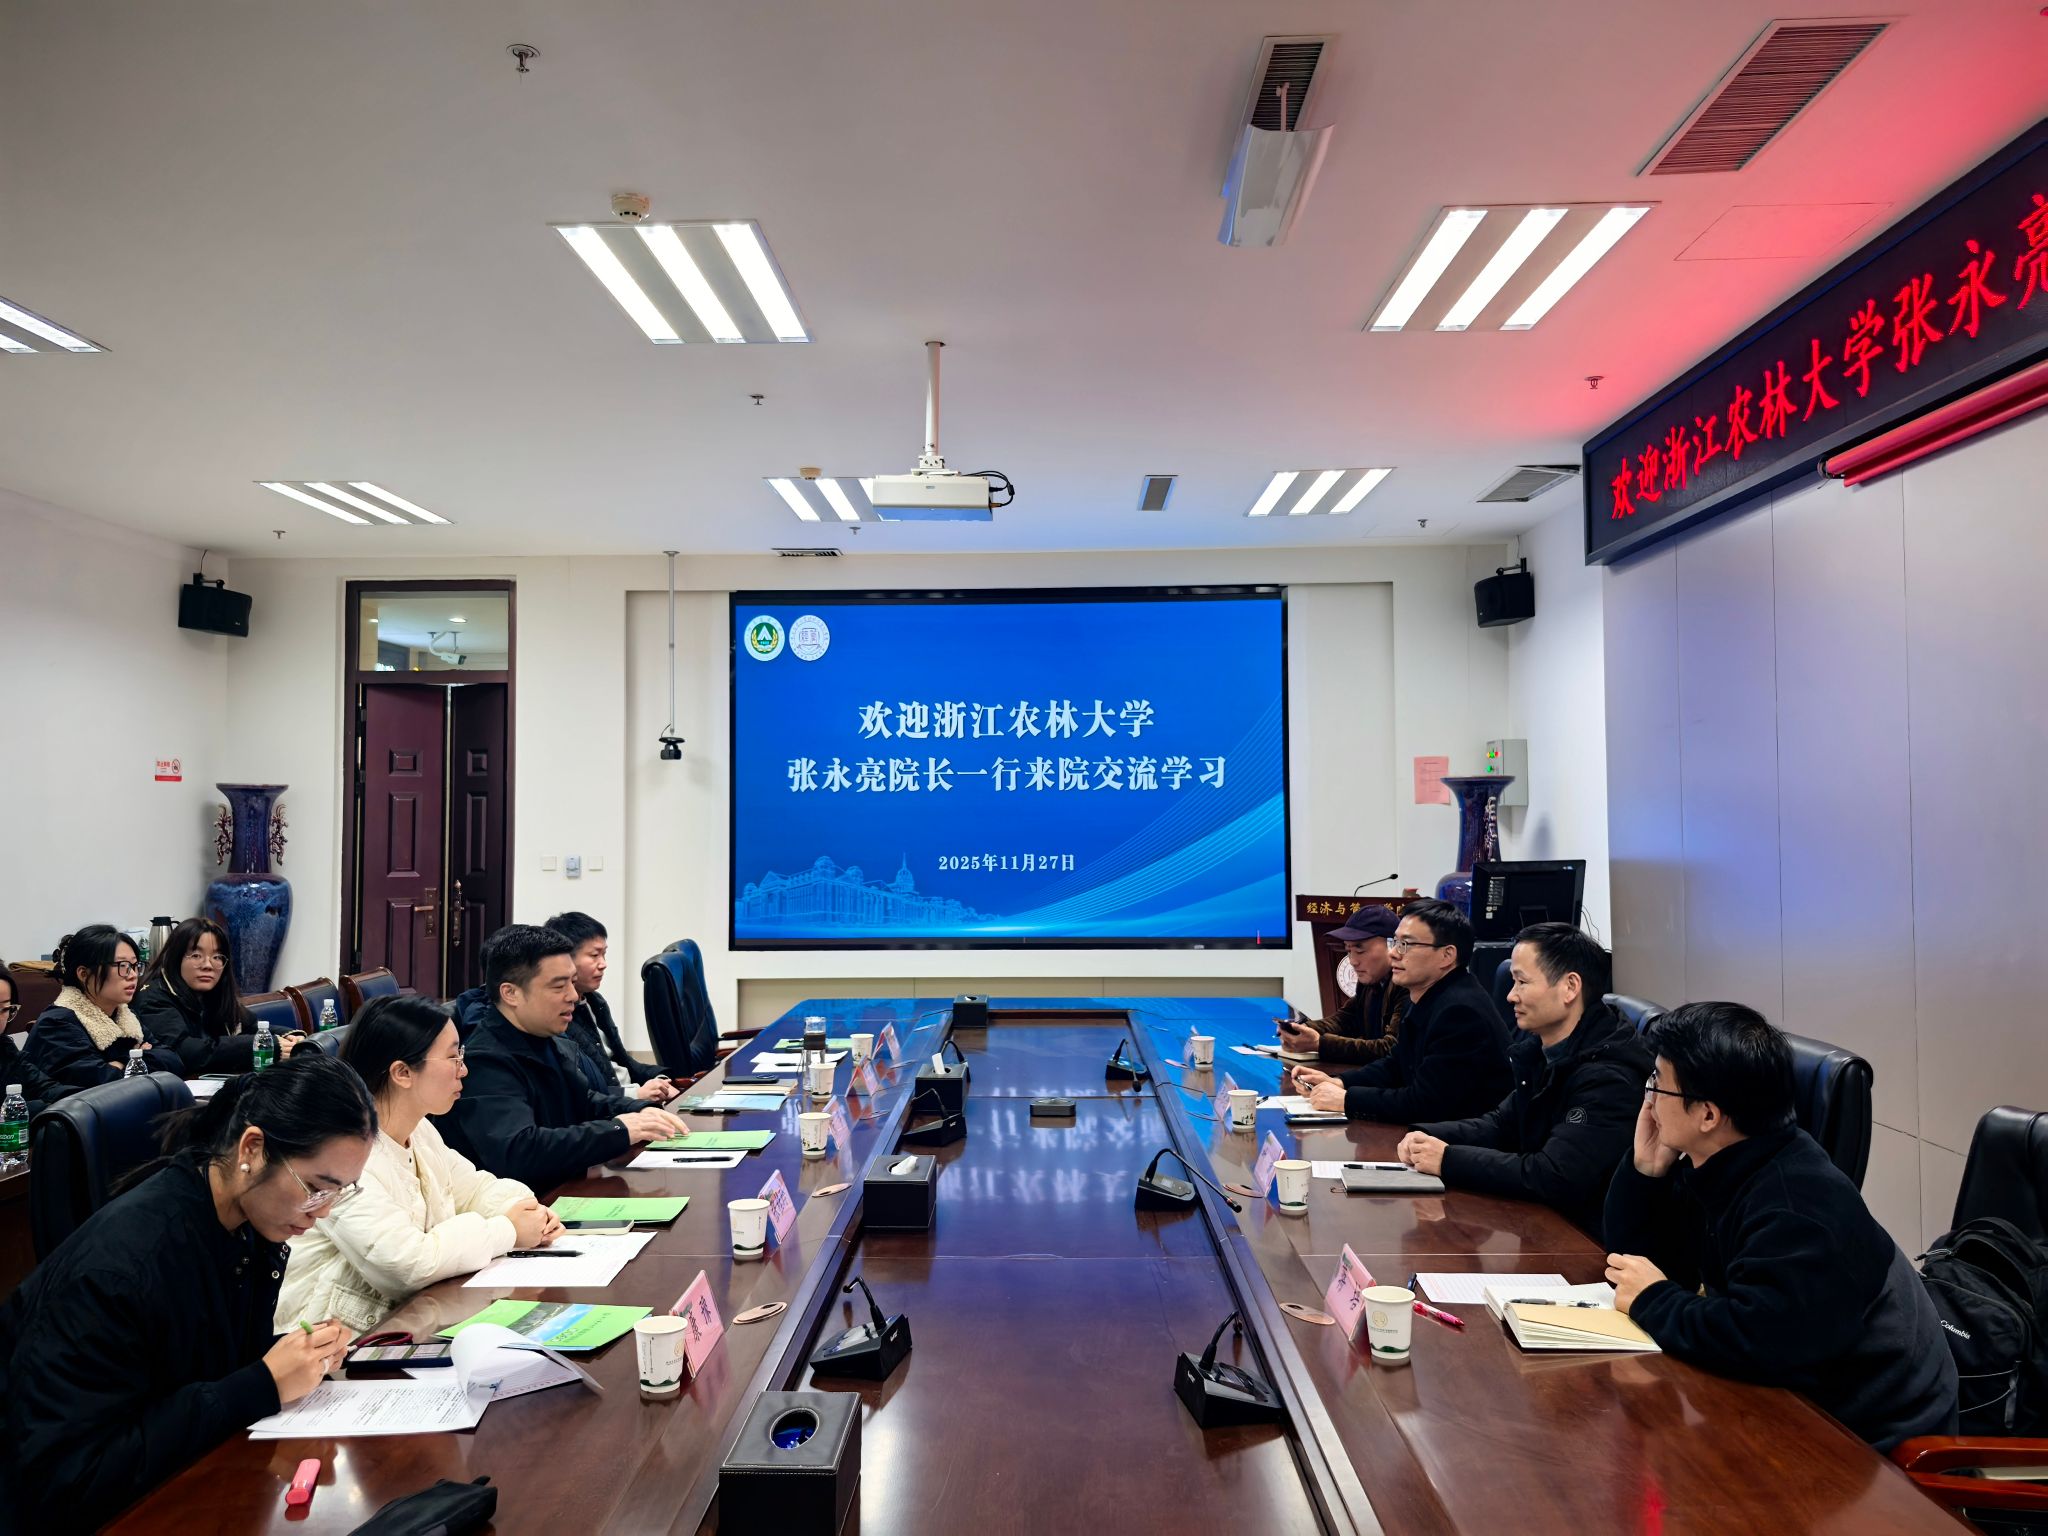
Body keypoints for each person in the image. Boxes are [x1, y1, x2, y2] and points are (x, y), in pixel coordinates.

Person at [0, 1054, 376, 1533]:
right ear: (253, 1148)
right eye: (317, 1188)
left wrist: (296, 1356)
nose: (321, 1212)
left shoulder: (244, 1222)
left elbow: (197, 1363)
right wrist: (261, 1384)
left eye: (340, 1193)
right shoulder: (123, 1270)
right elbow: (70, 1480)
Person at [1604, 1001, 1957, 1452]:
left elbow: (1761, 1339)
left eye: (1658, 1083)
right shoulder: (1719, 1161)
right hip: (1800, 1395)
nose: (1649, 1098)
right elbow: (1635, 1267)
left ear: (1708, 1115)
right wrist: (1646, 1173)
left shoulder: (1798, 1206)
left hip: (1874, 1442)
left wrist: (1655, 1300)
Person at [276, 996, 562, 1333]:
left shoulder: (419, 1128)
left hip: (413, 1317)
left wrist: (525, 1211)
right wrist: (509, 1230)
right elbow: (407, 1265)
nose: (464, 1069)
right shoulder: (344, 1154)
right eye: (453, 1057)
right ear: (402, 1072)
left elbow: (473, 1188)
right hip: (335, 1340)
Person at [1396, 923, 1649, 1233]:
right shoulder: (1542, 1050)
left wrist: (1447, 1159)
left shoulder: (1609, 1079)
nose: (1510, 996)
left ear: (1570, 987)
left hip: (1583, 1242)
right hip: (1540, 1224)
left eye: (1521, 982)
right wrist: (1425, 1135)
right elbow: (1501, 1124)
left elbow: (1552, 1175)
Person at [438, 925, 685, 1193]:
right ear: (511, 993)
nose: (573, 996)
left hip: (567, 1187)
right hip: (530, 1204)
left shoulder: (545, 1037)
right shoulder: (485, 1060)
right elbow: (520, 1151)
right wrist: (618, 1131)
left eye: (572, 982)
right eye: (559, 986)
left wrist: (639, 1110)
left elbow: (583, 1101)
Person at [1290, 900, 1509, 1124]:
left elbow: (1426, 1103)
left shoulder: (1460, 1012)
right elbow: (1396, 1064)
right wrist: (1339, 1082)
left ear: (1447, 955)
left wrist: (1347, 1100)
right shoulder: (1425, 995)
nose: (1393, 953)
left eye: (1406, 944)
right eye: (1394, 942)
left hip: (1462, 1137)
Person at [22, 926, 181, 1088]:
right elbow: (104, 1085)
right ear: (84, 974)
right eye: (123, 966)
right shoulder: (57, 1024)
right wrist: (136, 1056)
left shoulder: (124, 1015)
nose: (133, 975)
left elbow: (173, 1061)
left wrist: (121, 1062)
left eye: (135, 966)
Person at [545, 911, 678, 1105]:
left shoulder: (594, 1001)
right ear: (566, 960)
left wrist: (662, 1079)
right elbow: (582, 1091)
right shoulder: (558, 1014)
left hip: (630, 1099)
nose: (603, 964)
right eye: (594, 955)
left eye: (604, 954)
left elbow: (624, 1062)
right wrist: (636, 1094)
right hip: (613, 1106)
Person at [132, 917, 281, 1076]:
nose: (208, 965)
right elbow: (186, 1052)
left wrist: (291, 1038)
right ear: (176, 957)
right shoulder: (153, 997)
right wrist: (262, 1045)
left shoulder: (213, 992)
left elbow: (251, 1025)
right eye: (196, 955)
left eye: (217, 957)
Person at [1276, 904, 1407, 1066]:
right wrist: (1299, 1029)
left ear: (1393, 945)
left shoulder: (1408, 985)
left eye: (1360, 950)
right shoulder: (1370, 981)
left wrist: (1320, 1044)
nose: (1353, 961)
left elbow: (1391, 1049)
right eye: (1348, 951)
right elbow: (1345, 1020)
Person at [0, 961, 75, 1116]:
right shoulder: (58, 1020)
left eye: (5, 1009)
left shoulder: (5, 1049)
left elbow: (45, 1087)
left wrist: (86, 1101)